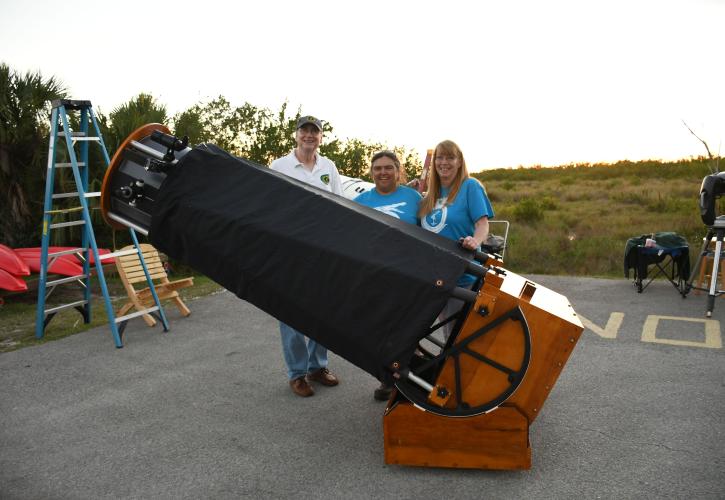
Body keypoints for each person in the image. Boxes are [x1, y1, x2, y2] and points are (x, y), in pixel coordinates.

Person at [269, 115, 343, 397]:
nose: (309, 136)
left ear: (321, 137)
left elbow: (340, 205)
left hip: (323, 249)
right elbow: (271, 208)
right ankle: (297, 373)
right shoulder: (280, 166)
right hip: (291, 249)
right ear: (296, 135)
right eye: (304, 131)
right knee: (290, 312)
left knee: (322, 310)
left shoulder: (328, 167)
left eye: (315, 131)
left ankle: (317, 366)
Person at [353, 150, 422, 401]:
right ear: (371, 172)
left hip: (409, 274)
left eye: (388, 167)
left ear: (398, 170)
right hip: (377, 275)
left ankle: (410, 378)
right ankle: (386, 380)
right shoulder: (361, 202)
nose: (383, 172)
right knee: (381, 330)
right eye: (378, 168)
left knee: (410, 328)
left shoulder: (413, 197)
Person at [419, 140, 494, 339]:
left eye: (450, 157)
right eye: (440, 157)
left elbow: (482, 224)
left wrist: (475, 241)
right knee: (419, 329)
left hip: (461, 276)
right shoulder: (429, 196)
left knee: (454, 335)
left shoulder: (470, 186)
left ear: (459, 162)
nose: (444, 162)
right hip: (432, 275)